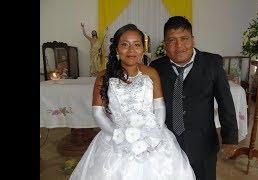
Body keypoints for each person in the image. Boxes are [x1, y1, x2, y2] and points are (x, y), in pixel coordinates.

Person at [70, 24, 196, 180]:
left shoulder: (151, 73)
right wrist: (119, 134)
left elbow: (159, 107)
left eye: (137, 45)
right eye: (124, 45)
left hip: (153, 137)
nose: (131, 50)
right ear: (116, 49)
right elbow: (98, 112)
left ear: (143, 49)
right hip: (115, 137)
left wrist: (154, 133)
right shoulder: (104, 76)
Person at [149, 16, 238, 180]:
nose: (179, 46)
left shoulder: (212, 63)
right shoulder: (156, 67)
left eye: (184, 39)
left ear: (193, 40)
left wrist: (230, 138)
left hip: (203, 144)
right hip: (167, 144)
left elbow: (226, 102)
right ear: (165, 44)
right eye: (172, 40)